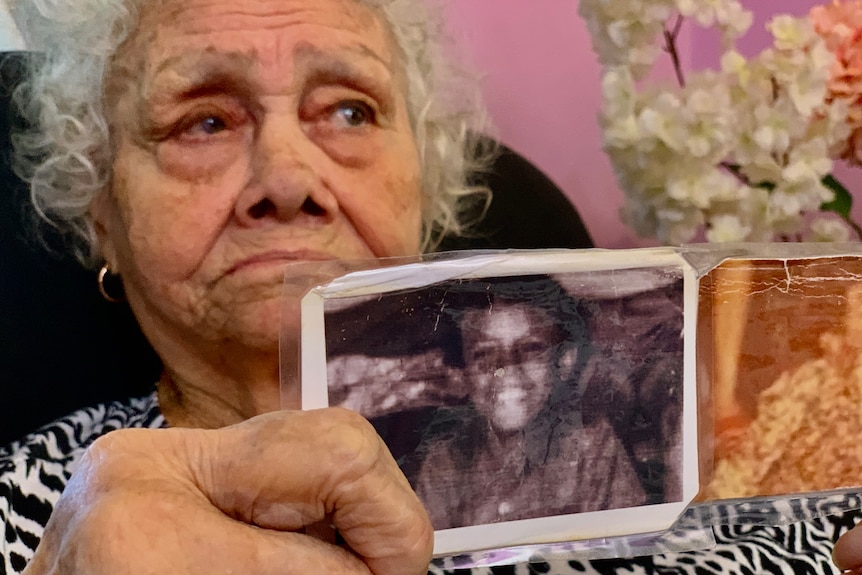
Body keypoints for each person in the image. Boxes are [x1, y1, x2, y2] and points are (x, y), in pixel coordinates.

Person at [3, 1, 862, 575]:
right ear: (102, 211)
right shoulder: (30, 511)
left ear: (427, 180)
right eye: (205, 120)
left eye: (348, 110)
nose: (287, 177)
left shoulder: (755, 470)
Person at [412, 276, 647, 530]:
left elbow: (625, 542)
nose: (507, 369)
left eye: (531, 349)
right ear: (465, 373)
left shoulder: (593, 448)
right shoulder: (444, 465)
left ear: (564, 362)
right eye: (484, 354)